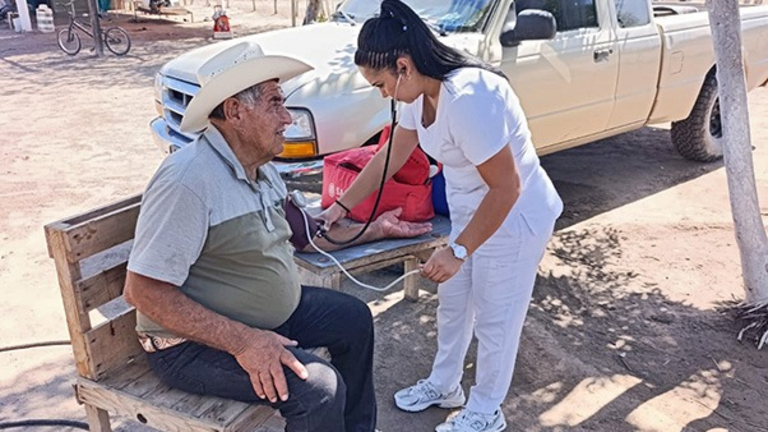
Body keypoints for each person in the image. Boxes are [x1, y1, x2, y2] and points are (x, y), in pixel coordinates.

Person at [123, 41, 431, 432]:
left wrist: (375, 229)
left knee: (353, 319)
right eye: (274, 104)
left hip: (266, 320)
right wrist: (245, 342)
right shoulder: (187, 181)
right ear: (235, 111)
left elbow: (304, 234)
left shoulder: (259, 164)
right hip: (191, 348)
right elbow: (144, 291)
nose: (286, 118)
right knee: (319, 390)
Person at [319, 1, 564, 431]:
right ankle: (445, 384)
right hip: (472, 211)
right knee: (453, 306)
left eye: (380, 85)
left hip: (513, 216)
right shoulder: (419, 93)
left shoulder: (470, 98)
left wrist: (460, 249)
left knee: (495, 316)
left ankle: (487, 409)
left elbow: (507, 188)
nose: (382, 94)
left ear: (403, 65)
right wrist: (339, 207)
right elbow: (391, 153)